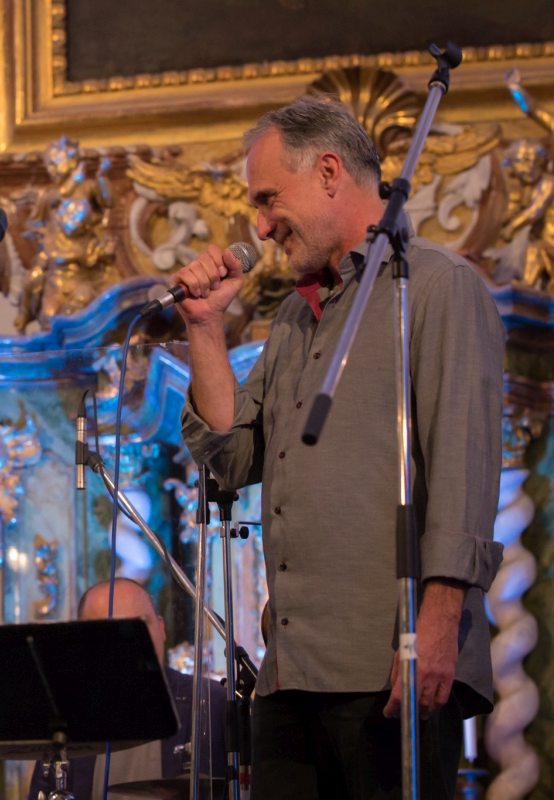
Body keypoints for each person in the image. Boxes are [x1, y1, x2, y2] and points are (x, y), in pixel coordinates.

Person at [174, 97, 504, 798]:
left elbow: (464, 470)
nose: (261, 226)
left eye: (268, 199)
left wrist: (436, 628)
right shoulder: (294, 319)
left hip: (388, 668)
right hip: (291, 676)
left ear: (328, 172)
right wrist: (203, 327)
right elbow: (231, 459)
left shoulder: (437, 287)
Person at [27, 579, 227, 800]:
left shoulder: (213, 703)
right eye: (106, 632)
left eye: (139, 626)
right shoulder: (64, 718)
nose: (129, 642)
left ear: (161, 628)